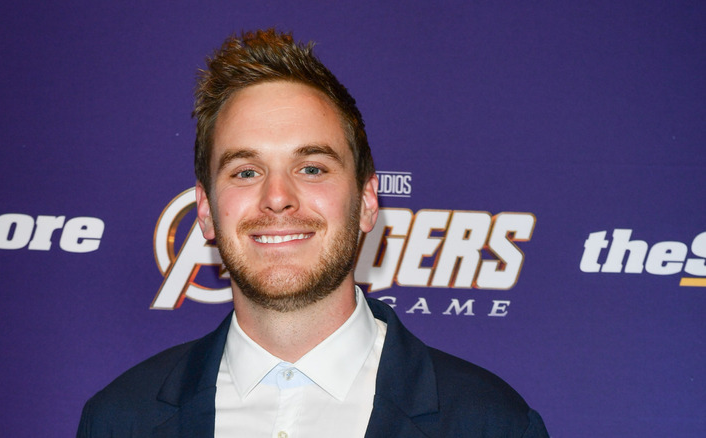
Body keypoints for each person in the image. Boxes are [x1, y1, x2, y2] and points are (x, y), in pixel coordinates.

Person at [77, 29, 549, 438]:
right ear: (204, 210)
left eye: (311, 167)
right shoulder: (120, 420)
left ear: (367, 201)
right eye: (245, 171)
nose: (277, 196)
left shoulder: (492, 424)